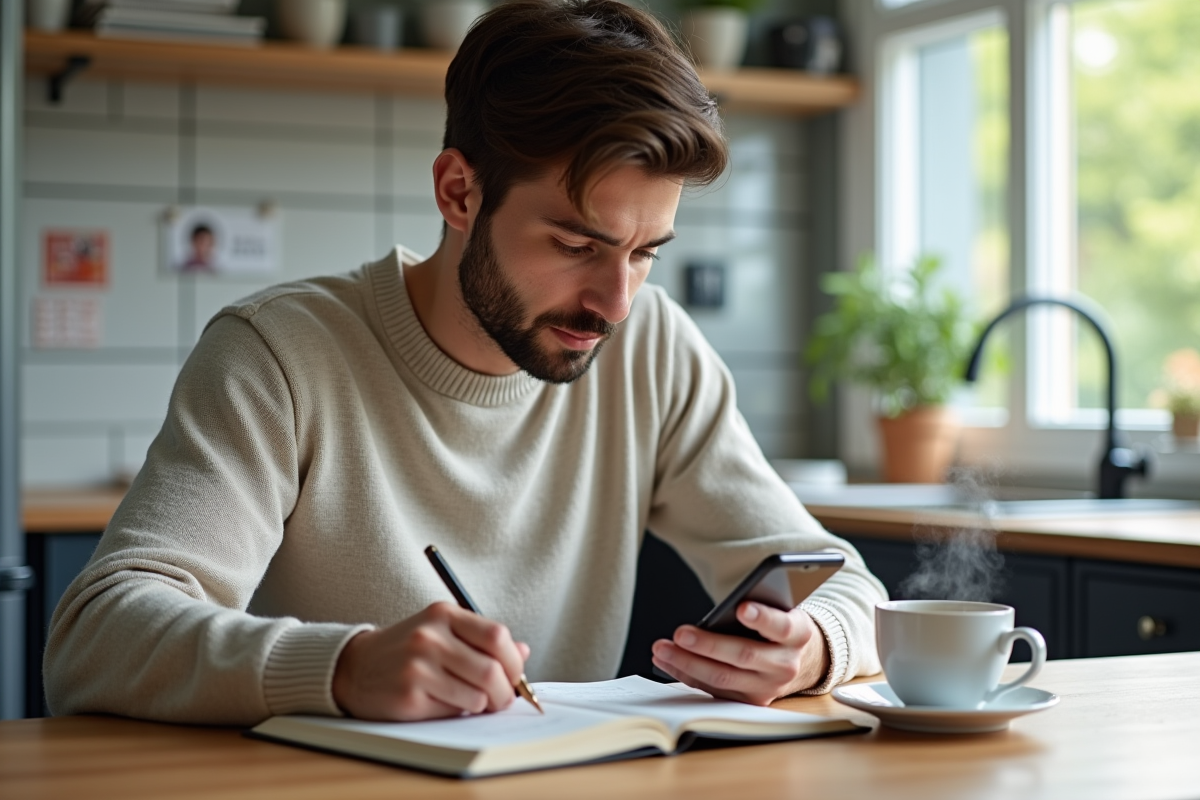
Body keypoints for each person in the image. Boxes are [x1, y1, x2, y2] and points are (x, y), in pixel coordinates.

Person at [45, 0, 884, 726]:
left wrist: (812, 648)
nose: (615, 302)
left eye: (644, 254)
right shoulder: (280, 353)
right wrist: (342, 668)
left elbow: (843, 584)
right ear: (458, 193)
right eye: (576, 244)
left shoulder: (653, 349)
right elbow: (94, 638)